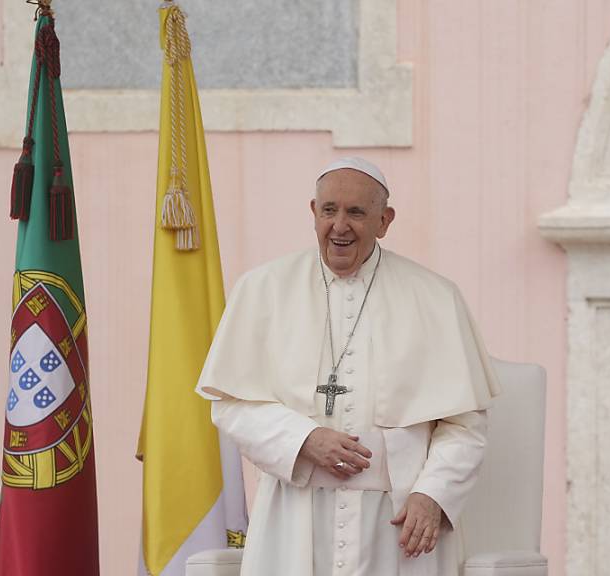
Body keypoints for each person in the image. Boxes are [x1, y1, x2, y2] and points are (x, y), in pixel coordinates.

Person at [196, 157, 500, 576]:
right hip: (294, 517)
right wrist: (304, 439)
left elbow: (465, 425)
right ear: (313, 212)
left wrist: (433, 494)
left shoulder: (435, 296)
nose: (340, 226)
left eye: (356, 212)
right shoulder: (263, 288)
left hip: (398, 523)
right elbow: (231, 405)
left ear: (384, 221)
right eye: (329, 210)